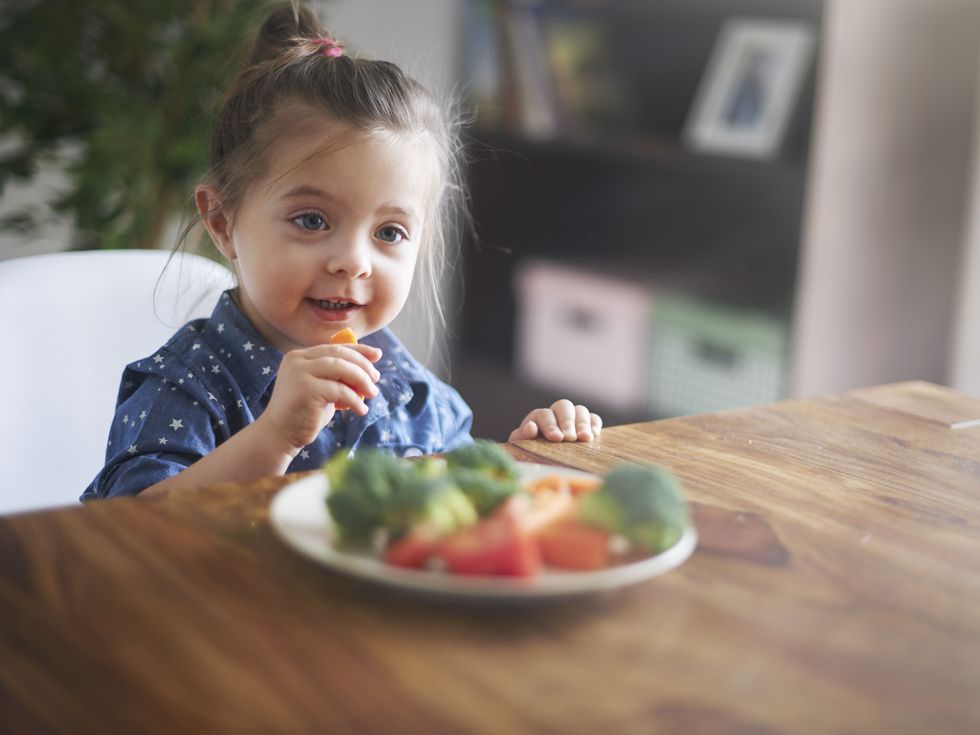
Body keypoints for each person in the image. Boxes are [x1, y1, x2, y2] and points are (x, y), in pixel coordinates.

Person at [83, 2, 602, 501]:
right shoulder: (187, 385)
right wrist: (276, 437)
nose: (354, 262)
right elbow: (125, 531)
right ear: (222, 222)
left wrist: (526, 460)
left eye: (390, 233)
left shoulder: (413, 393)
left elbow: (456, 511)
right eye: (312, 221)